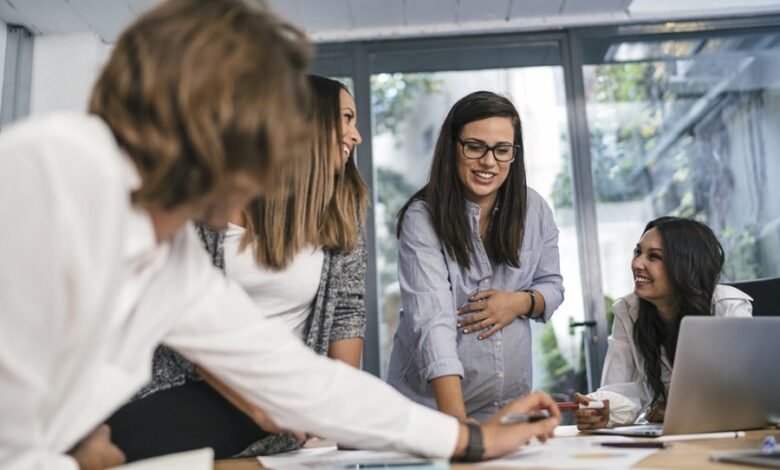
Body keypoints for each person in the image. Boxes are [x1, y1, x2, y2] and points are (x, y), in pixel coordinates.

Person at [0, 2, 561, 469]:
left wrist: (473, 440)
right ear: (215, 120)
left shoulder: (171, 256)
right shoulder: (52, 173)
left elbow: (297, 380)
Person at [107, 74, 369, 460]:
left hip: (277, 393)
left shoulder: (341, 212)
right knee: (105, 444)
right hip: (189, 382)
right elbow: (176, 312)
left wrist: (344, 418)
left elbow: (347, 312)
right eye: (346, 118)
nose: (356, 135)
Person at [387, 91, 565, 422]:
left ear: (514, 154)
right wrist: (458, 428)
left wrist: (519, 302)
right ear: (453, 147)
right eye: (475, 147)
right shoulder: (422, 218)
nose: (489, 162)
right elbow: (432, 322)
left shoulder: (535, 209)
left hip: (507, 411)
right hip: (432, 414)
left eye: (502, 150)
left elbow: (552, 285)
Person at [573, 217, 752, 430]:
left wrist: (678, 410)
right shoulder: (628, 311)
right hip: (670, 437)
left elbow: (744, 394)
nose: (637, 264)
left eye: (654, 257)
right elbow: (620, 387)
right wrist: (601, 410)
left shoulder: (726, 306)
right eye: (638, 252)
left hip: (728, 435)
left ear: (685, 266)